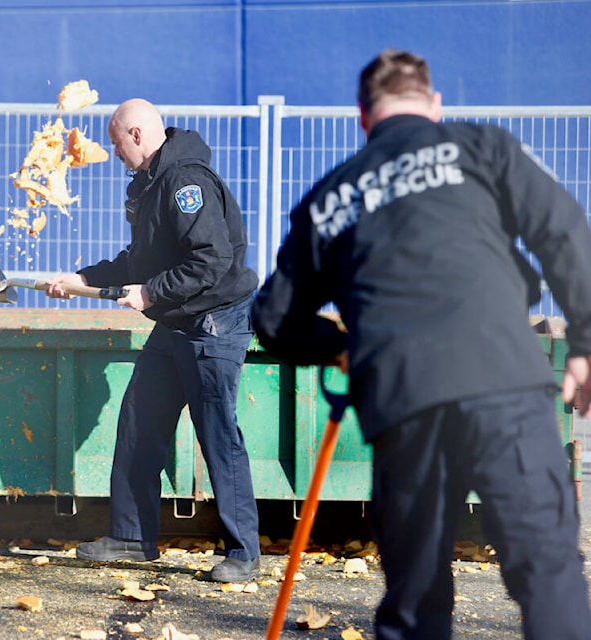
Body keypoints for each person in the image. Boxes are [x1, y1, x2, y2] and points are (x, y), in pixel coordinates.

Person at [251, 48, 591, 639]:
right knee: (548, 573)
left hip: (403, 400)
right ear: (434, 105)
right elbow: (563, 231)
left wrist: (337, 345)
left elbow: (273, 317)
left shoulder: (331, 197)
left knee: (416, 602)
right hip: (504, 382)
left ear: (363, 116)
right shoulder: (483, 149)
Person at [45, 98, 262, 583]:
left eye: (116, 141)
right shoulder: (151, 184)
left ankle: (244, 553)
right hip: (178, 322)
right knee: (141, 419)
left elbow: (212, 261)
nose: (113, 151)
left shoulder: (185, 182)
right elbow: (138, 260)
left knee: (218, 435)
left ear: (137, 135)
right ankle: (131, 537)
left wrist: (149, 292)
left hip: (213, 324)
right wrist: (78, 278)